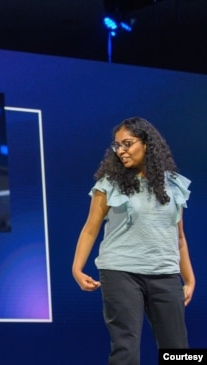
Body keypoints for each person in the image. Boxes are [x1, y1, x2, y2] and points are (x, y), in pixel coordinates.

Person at [71, 117, 195, 365]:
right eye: (117, 146)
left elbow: (179, 237)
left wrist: (190, 279)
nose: (121, 151)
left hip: (165, 273)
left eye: (127, 143)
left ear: (147, 143)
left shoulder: (173, 185)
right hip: (120, 271)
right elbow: (90, 229)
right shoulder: (109, 184)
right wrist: (77, 268)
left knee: (180, 350)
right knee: (125, 347)